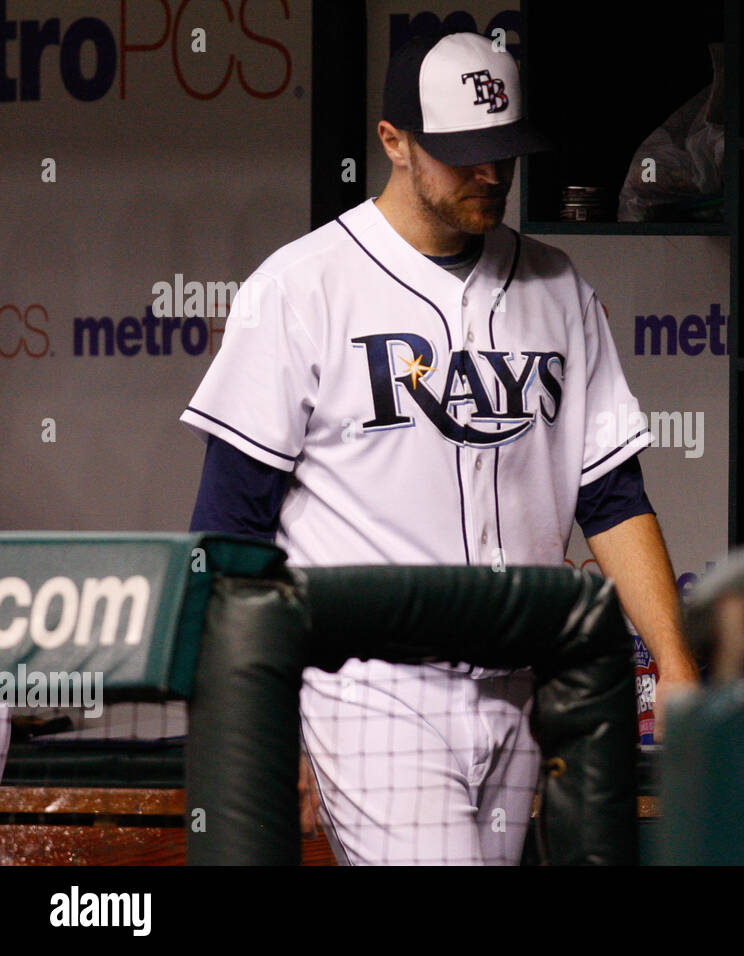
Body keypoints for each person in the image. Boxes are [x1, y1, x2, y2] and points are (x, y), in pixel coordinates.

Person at [181, 30, 698, 865]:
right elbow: (231, 525)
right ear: (393, 140)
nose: (491, 173)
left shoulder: (558, 285)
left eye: (505, 153)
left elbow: (612, 495)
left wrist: (675, 661)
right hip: (371, 686)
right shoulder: (302, 286)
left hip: (527, 684)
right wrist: (256, 722)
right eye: (466, 155)